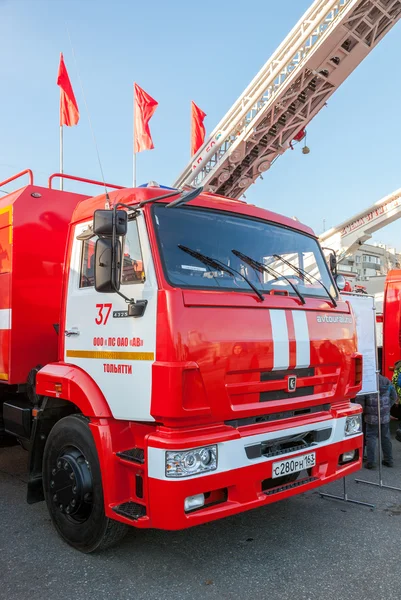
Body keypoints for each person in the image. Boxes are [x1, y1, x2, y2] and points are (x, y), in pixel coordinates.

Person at [363, 373, 397, 469]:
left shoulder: (367, 383)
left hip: (371, 417)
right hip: (384, 416)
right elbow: (394, 396)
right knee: (386, 437)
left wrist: (365, 411)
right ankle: (388, 460)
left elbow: (360, 400)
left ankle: (371, 463)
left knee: (371, 437)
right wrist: (387, 407)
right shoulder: (386, 380)